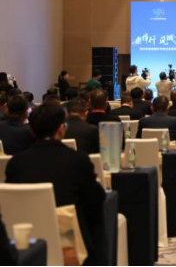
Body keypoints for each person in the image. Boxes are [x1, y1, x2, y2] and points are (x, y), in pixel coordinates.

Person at [5, 103, 106, 265]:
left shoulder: (15, 163)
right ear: (61, 129)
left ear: (32, 130)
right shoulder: (77, 160)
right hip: (69, 247)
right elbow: (95, 200)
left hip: (27, 245)